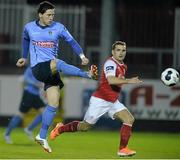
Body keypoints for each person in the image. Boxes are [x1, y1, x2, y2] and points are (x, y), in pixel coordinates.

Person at [16, 1, 97, 153]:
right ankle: (87, 74)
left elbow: (72, 41)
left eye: (53, 14)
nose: (51, 17)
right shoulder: (29, 27)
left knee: (53, 104)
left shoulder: (59, 27)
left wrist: (82, 56)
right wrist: (24, 57)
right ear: (40, 14)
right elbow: (25, 38)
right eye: (48, 15)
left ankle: (42, 136)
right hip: (39, 68)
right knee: (57, 62)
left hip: (51, 71)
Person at [50, 41, 143, 157]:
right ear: (113, 52)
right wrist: (129, 81)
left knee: (129, 119)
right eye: (118, 50)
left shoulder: (123, 66)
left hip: (112, 101)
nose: (121, 53)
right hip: (101, 100)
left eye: (123, 50)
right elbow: (111, 80)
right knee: (84, 127)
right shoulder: (111, 63)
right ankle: (60, 129)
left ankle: (122, 149)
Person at [4, 67, 45, 144]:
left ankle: (29, 129)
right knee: (20, 115)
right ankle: (7, 134)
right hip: (28, 94)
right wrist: (35, 84)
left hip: (36, 96)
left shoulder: (42, 68)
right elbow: (26, 78)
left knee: (45, 113)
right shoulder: (31, 67)